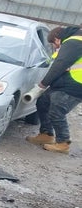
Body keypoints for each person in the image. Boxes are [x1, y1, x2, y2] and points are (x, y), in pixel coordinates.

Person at [25, 25, 82, 154]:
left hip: (75, 85)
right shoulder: (74, 41)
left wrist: (43, 84)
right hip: (67, 83)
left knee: (56, 111)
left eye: (54, 43)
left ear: (57, 38)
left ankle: (63, 143)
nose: (55, 47)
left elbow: (59, 65)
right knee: (43, 102)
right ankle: (46, 134)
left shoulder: (74, 42)